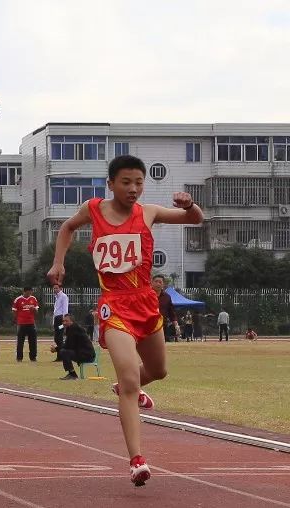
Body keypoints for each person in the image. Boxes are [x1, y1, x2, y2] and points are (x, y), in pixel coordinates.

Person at [48, 154, 204, 486]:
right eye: (126, 182)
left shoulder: (148, 213)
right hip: (114, 306)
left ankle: (124, 388)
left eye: (139, 183)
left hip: (146, 303)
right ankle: (137, 460)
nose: (133, 189)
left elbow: (195, 220)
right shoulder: (93, 209)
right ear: (111, 184)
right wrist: (58, 262)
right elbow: (67, 227)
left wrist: (191, 204)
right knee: (132, 380)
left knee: (158, 371)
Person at [53, 313, 96, 380]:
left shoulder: (74, 329)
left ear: (71, 321)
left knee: (64, 352)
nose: (64, 323)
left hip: (87, 355)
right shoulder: (72, 328)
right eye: (63, 321)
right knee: (64, 351)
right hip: (83, 353)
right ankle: (71, 374)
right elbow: (69, 344)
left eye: (66, 321)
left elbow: (68, 345)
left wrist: (56, 349)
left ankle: (72, 375)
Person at [13, 286, 40, 362]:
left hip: (31, 323)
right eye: (28, 293)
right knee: (20, 342)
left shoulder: (33, 299)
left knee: (33, 341)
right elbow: (14, 311)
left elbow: (37, 311)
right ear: (24, 292)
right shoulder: (18, 300)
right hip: (21, 324)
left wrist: (34, 309)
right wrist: (17, 320)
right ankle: (19, 358)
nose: (29, 294)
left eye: (31, 292)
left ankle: (33, 357)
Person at [152, 275, 179, 342]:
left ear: (163, 284)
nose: (158, 284)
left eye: (160, 282)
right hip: (149, 326)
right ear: (152, 283)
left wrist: (176, 325)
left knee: (161, 345)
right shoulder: (146, 295)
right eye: (156, 281)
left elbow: (171, 312)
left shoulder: (167, 297)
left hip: (162, 326)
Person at [51, 283, 69, 361]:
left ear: (60, 288)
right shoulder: (57, 297)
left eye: (56, 288)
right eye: (54, 288)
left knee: (59, 338)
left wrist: (64, 320)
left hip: (60, 319)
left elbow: (65, 309)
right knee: (57, 338)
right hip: (56, 319)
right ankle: (60, 356)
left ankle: (61, 356)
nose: (55, 290)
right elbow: (55, 310)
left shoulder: (63, 296)